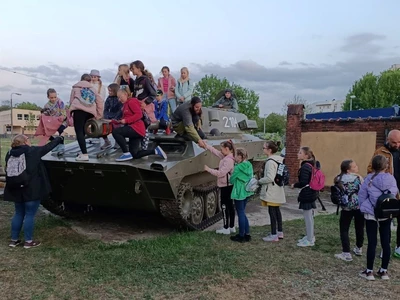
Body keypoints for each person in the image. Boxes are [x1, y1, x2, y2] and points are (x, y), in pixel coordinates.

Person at [5, 133, 65, 248]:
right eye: (27, 139)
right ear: (24, 142)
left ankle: (14, 240)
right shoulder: (32, 151)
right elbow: (48, 147)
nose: (29, 140)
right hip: (31, 189)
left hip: (16, 188)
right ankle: (28, 241)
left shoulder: (9, 154)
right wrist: (59, 138)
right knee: (29, 215)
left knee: (18, 213)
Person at [359, 155, 398, 280]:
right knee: (386, 242)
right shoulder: (391, 179)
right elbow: (394, 192)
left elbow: (362, 195)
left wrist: (363, 207)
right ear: (386, 166)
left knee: (372, 242)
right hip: (386, 212)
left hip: (371, 213)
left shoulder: (369, 179)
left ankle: (369, 271)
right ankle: (384, 271)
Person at [367, 129, 400, 258]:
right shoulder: (380, 152)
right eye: (394, 142)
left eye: (399, 142)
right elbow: (370, 169)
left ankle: (398, 246)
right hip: (388, 192)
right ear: (388, 140)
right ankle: (385, 248)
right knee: (388, 219)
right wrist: (383, 179)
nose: (397, 144)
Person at [111, 87, 167, 162]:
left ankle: (126, 153)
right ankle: (155, 151)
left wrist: (126, 120)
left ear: (125, 94)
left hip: (136, 128)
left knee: (116, 132)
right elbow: (124, 119)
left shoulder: (131, 102)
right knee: (135, 154)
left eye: (120, 97)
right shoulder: (125, 105)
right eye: (118, 98)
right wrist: (113, 121)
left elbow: (139, 114)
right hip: (135, 130)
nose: (119, 99)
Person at [333, 160, 364, 262]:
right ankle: (359, 248)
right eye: (354, 166)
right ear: (348, 170)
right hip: (358, 205)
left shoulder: (338, 179)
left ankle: (346, 252)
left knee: (344, 229)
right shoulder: (358, 178)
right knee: (359, 227)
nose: (356, 167)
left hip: (346, 207)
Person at [69, 73, 104, 161]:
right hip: (90, 112)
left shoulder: (76, 88)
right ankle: (83, 151)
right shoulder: (93, 89)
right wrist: (98, 115)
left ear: (81, 80)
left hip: (78, 110)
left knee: (79, 132)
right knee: (83, 131)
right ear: (90, 81)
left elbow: (71, 100)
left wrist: (69, 114)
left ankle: (84, 154)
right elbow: (99, 102)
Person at [204, 140, 236, 235]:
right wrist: (206, 145)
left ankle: (226, 227)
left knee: (225, 206)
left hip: (226, 186)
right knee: (230, 206)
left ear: (227, 149)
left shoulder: (228, 160)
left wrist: (208, 169)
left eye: (222, 149)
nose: (220, 151)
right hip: (228, 185)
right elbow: (215, 152)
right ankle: (231, 226)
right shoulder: (228, 156)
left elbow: (221, 173)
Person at [259, 141, 286, 242]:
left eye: (264, 148)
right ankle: (279, 231)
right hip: (277, 188)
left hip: (271, 189)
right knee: (277, 211)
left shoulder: (270, 162)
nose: (263, 149)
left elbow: (270, 177)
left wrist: (260, 181)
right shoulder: (279, 160)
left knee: (272, 212)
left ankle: (274, 234)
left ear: (269, 150)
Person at [290, 146, 318, 247]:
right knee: (309, 216)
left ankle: (310, 239)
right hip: (311, 193)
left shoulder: (305, 166)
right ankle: (310, 236)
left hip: (307, 194)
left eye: (300, 152)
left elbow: (303, 182)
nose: (298, 154)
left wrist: (295, 185)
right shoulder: (311, 165)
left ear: (306, 155)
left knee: (308, 217)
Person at [229, 148, 254, 242]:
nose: (234, 157)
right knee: (243, 212)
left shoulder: (238, 167)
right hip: (247, 191)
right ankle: (247, 234)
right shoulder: (249, 164)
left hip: (239, 192)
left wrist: (232, 174)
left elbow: (231, 180)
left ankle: (241, 235)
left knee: (240, 213)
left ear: (240, 156)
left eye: (235, 155)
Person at [40, 88, 68, 152]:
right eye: (51, 98)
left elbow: (63, 112)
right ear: (48, 97)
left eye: (55, 97)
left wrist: (62, 117)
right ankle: (55, 143)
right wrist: (42, 115)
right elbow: (46, 113)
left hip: (62, 121)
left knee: (60, 129)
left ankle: (61, 145)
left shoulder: (60, 102)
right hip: (53, 122)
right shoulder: (47, 105)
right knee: (45, 131)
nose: (53, 99)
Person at [101, 83, 123, 150]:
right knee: (102, 127)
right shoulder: (109, 98)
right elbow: (106, 109)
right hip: (110, 115)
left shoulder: (119, 98)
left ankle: (117, 141)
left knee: (116, 127)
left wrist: (115, 118)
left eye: (111, 91)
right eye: (109, 91)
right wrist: (106, 116)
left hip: (117, 116)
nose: (109, 92)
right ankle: (107, 141)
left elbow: (120, 110)